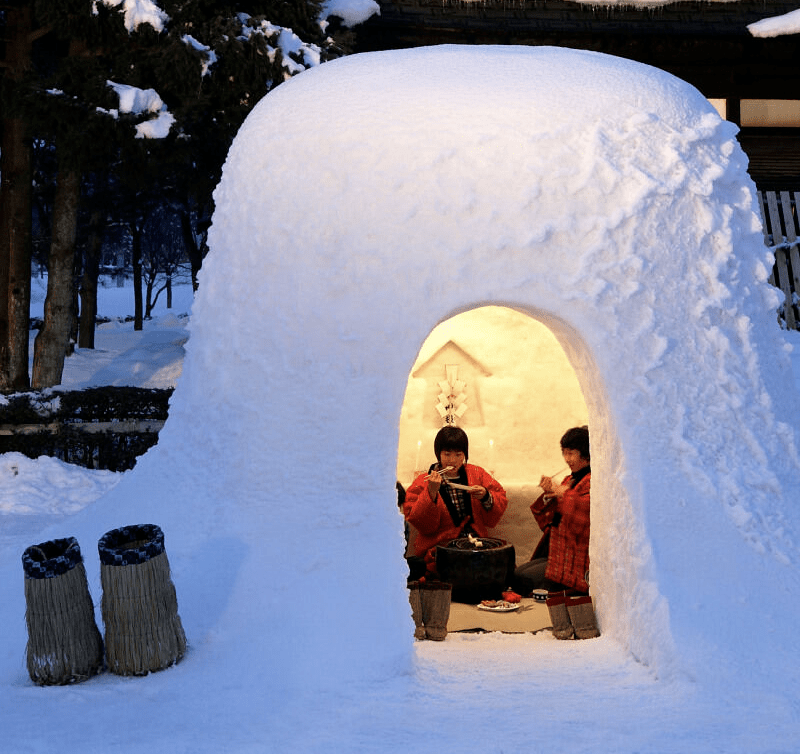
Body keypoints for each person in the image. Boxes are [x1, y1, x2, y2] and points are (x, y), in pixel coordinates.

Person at [403, 426, 507, 579]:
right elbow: (421, 523)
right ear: (438, 454)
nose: (452, 460)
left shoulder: (477, 474)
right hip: (441, 548)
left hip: (476, 543)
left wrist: (485, 495)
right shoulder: (423, 481)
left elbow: (500, 497)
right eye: (447, 454)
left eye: (458, 454)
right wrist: (431, 492)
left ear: (465, 454)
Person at [513, 426, 591, 596]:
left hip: (576, 560)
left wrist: (565, 494)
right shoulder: (569, 479)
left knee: (524, 579)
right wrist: (549, 494)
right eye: (564, 452)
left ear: (585, 453)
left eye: (571, 453)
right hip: (559, 552)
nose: (566, 459)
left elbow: (585, 517)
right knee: (517, 574)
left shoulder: (592, 480)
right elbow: (550, 519)